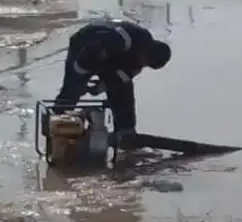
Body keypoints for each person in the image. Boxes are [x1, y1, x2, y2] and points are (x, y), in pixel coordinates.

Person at [53, 19, 171, 148]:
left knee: (123, 92)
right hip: (87, 43)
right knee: (72, 89)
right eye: (144, 60)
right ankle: (57, 123)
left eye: (146, 64)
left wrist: (98, 88)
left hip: (112, 59)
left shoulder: (139, 62)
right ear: (145, 51)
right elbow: (87, 57)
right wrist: (80, 78)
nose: (142, 64)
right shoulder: (123, 40)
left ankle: (125, 131)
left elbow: (120, 79)